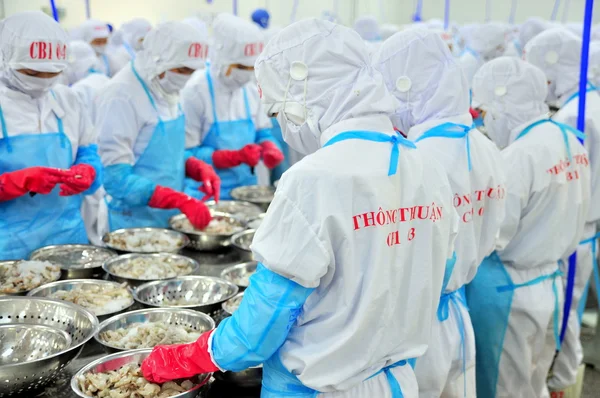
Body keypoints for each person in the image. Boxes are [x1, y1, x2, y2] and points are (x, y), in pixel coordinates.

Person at [141, 18, 459, 397]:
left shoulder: (314, 178)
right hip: (398, 382)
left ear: (306, 100)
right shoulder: (428, 167)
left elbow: (260, 328)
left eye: (279, 114)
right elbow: (437, 274)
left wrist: (194, 355)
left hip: (319, 388)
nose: (284, 128)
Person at [374, 29, 506, 398]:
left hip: (418, 327)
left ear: (409, 89)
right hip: (459, 319)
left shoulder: (415, 158)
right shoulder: (486, 146)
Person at [467, 57, 591, 398]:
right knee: (532, 382)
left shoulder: (518, 156)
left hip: (510, 293)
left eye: (486, 112)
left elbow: (494, 235)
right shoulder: (567, 139)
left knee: (502, 387)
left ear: (503, 103)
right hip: (550, 282)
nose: (486, 122)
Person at [524, 27, 600, 394]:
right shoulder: (591, 102)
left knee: (566, 309)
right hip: (587, 226)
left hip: (574, 229)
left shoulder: (573, 115)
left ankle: (562, 382)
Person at [95, 21, 218, 233]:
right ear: (157, 60)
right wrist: (176, 199)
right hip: (132, 224)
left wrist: (193, 166)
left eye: (191, 71)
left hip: (167, 218)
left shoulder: (167, 88)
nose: (185, 77)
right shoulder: (121, 95)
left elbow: (163, 153)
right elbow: (116, 179)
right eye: (181, 70)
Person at [0, 11, 103, 260]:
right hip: (8, 247)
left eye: (52, 73)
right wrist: (16, 182)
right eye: (33, 73)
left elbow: (88, 150)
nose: (44, 82)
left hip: (67, 238)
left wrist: (88, 168)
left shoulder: (68, 99)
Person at [182, 13, 283, 200]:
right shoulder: (195, 92)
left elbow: (262, 132)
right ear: (222, 60)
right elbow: (186, 153)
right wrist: (231, 157)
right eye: (241, 67)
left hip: (246, 190)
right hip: (207, 193)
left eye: (251, 68)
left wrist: (269, 145)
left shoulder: (249, 90)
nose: (246, 74)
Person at [458, 23, 506, 87]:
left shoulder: (478, 57)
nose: (498, 51)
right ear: (490, 44)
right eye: (497, 47)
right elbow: (467, 88)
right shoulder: (470, 61)